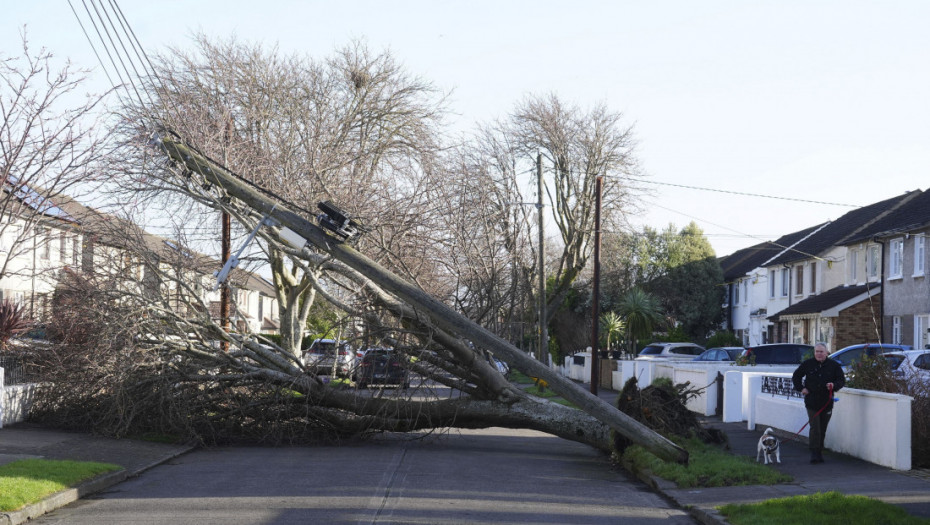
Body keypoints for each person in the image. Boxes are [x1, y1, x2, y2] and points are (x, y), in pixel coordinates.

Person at [792, 342, 845, 464]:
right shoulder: (808, 364)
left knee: (822, 428)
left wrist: (834, 385)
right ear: (814, 352)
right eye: (817, 351)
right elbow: (796, 376)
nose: (819, 354)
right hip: (812, 401)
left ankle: (819, 450)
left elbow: (841, 380)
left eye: (821, 352)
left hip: (827, 402)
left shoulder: (834, 365)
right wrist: (801, 388)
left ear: (826, 352)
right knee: (815, 428)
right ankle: (814, 452)